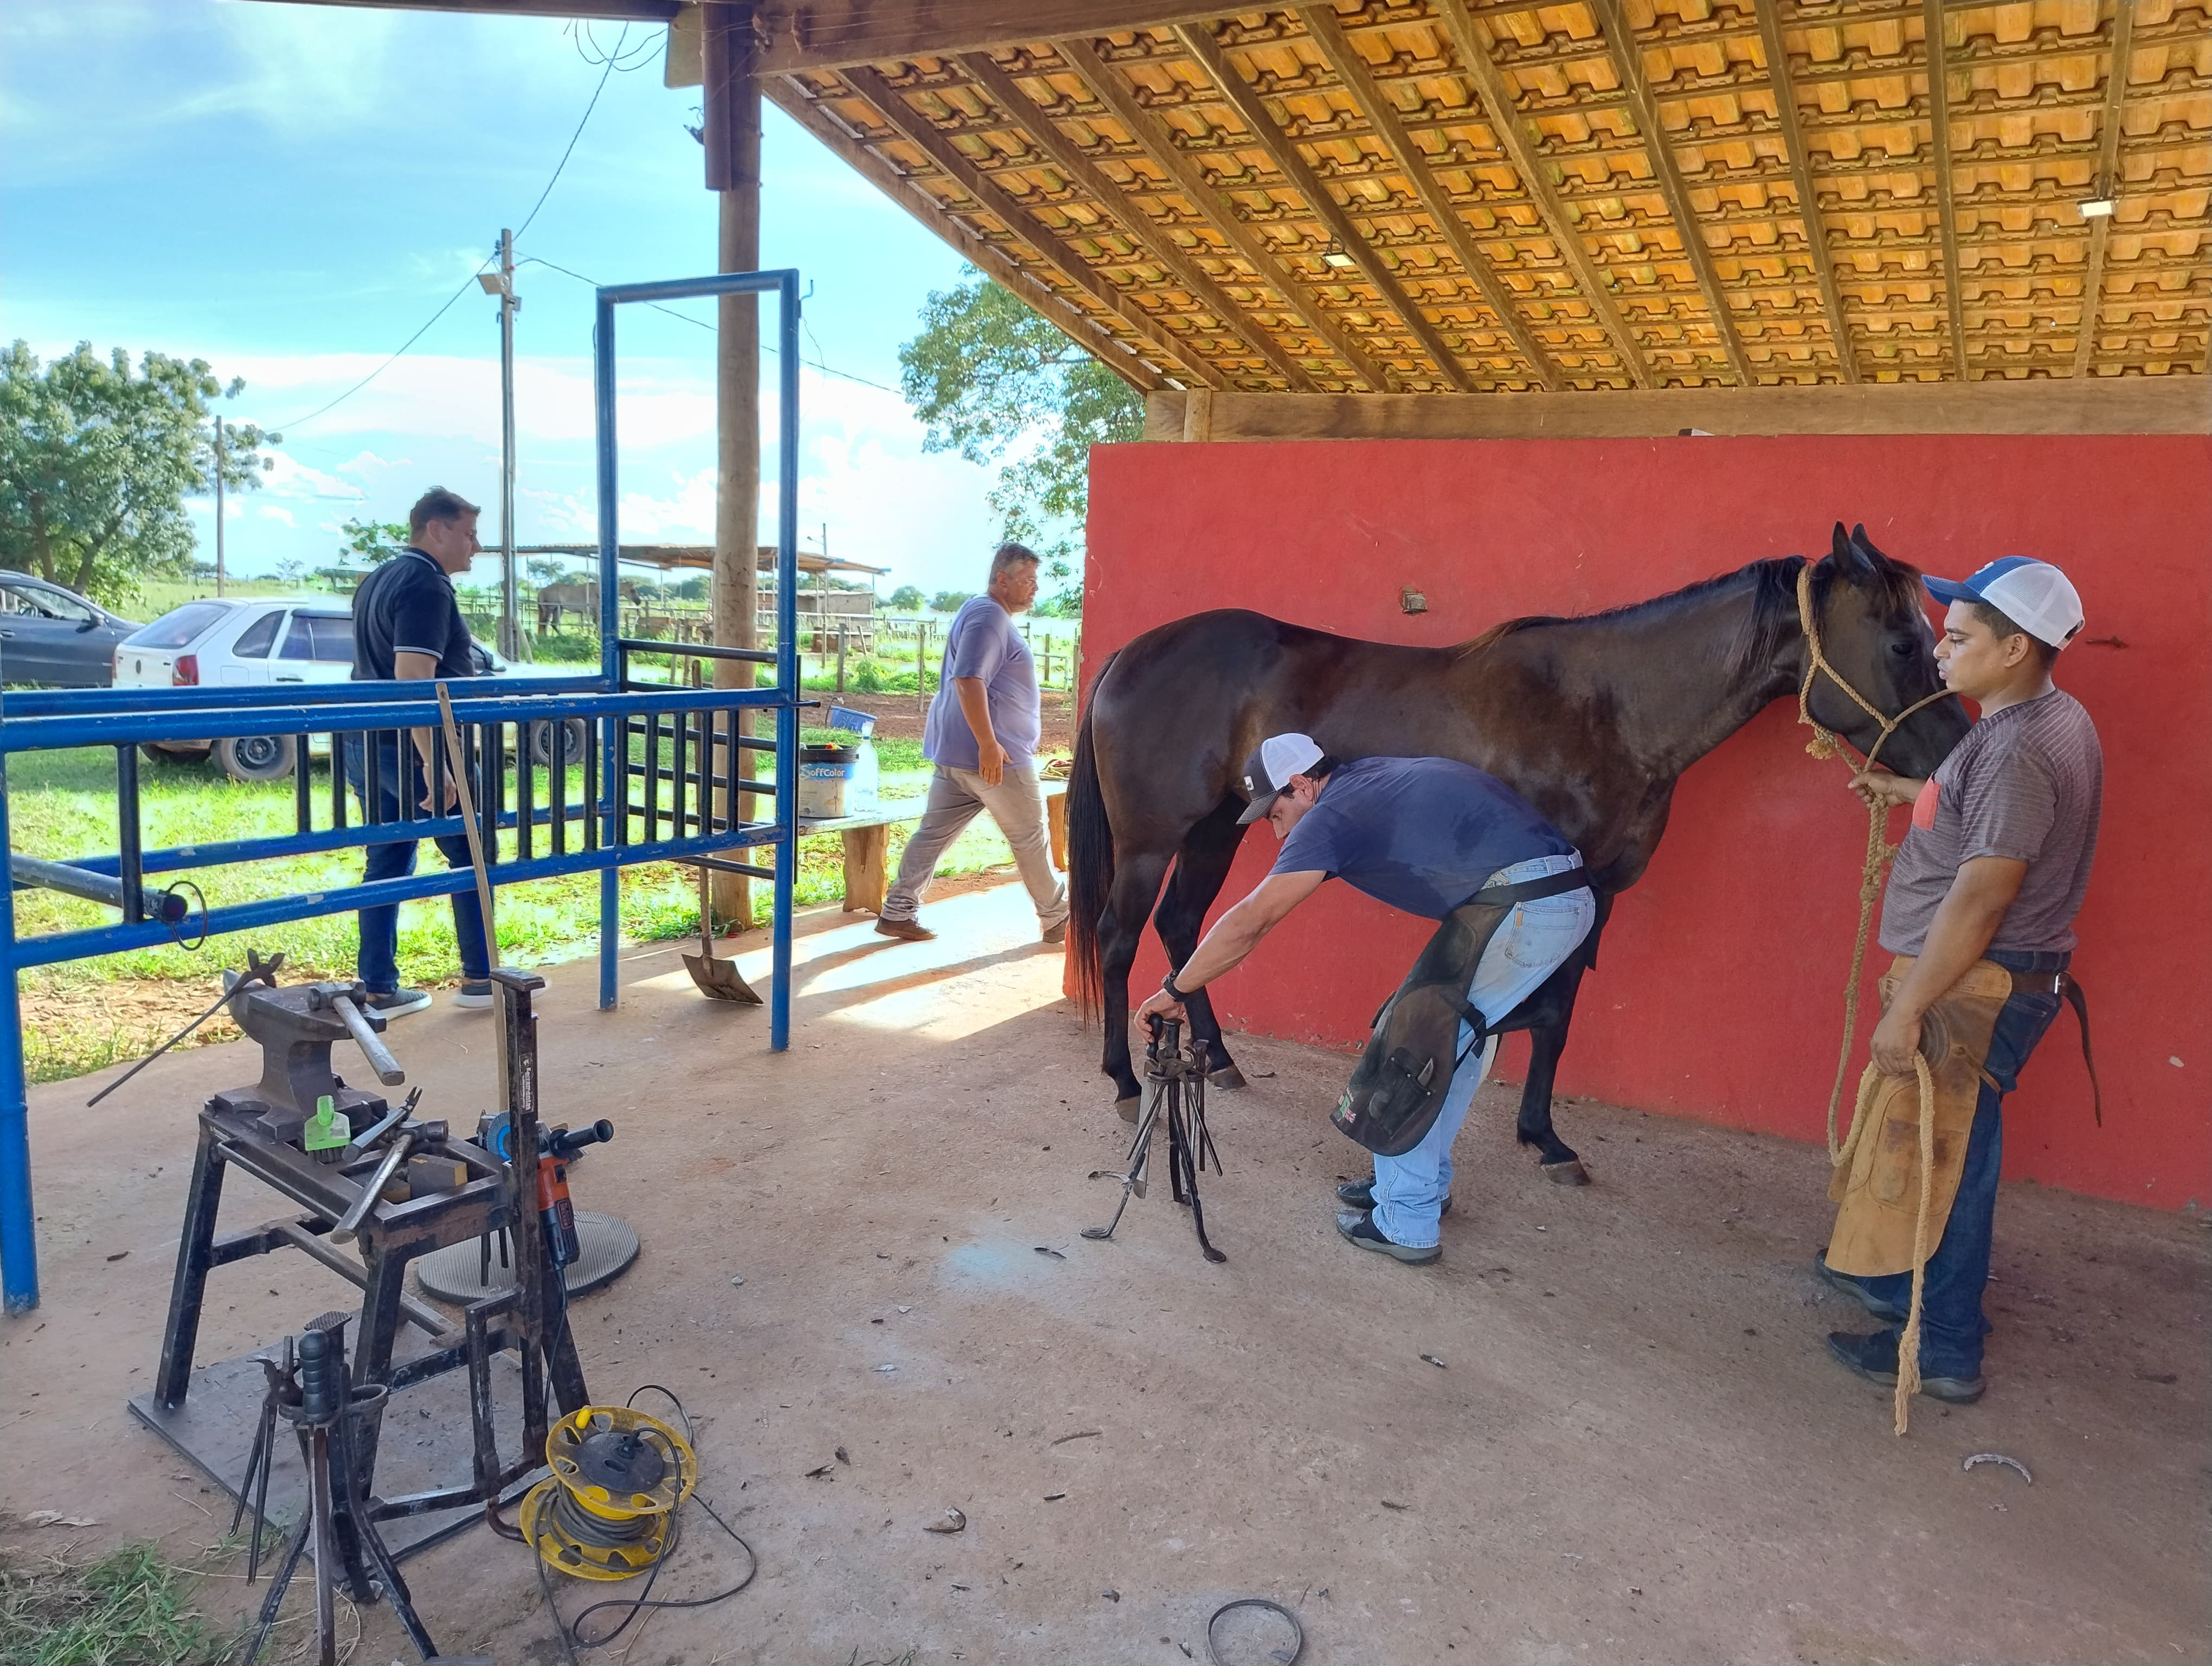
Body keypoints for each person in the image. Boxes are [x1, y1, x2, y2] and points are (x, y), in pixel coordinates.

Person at [1135, 734, 1596, 1266]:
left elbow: (1250, 921)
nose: (1276, 829)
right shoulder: (1368, 778)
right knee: (1447, 1043)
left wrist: (1175, 991)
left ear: (1303, 785)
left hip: (1529, 905)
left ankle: (1407, 1221)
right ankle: (1422, 1186)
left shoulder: (1331, 815)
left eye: (1276, 813)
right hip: (1541, 894)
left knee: (1410, 1049)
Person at [1820, 556, 2100, 1405]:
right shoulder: (2043, 716)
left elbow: (1982, 897)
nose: (1941, 654)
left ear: (2015, 647)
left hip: (1979, 986)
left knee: (1955, 1162)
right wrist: (1910, 790)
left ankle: (1943, 1348)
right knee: (1944, 1147)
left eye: (1958, 638)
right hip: (1993, 978)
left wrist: (1907, 1010)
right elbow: (1987, 814)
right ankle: (1896, 1285)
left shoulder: (2017, 751)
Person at [344, 487, 494, 1018]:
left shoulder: (379, 579)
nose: (476, 546)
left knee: (387, 859)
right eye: (470, 534)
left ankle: (379, 986)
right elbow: (413, 676)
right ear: (438, 530)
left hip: (370, 742)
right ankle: (482, 976)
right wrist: (438, 761)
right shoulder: (427, 586)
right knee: (472, 853)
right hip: (415, 747)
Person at [874, 543, 1070, 945]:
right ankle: (1058, 917)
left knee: (933, 833)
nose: (1034, 589)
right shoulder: (990, 618)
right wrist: (988, 744)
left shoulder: (978, 609)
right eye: (1027, 580)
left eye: (1036, 580)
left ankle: (898, 911)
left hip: (957, 755)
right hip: (993, 757)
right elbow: (968, 679)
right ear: (1002, 580)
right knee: (1031, 836)